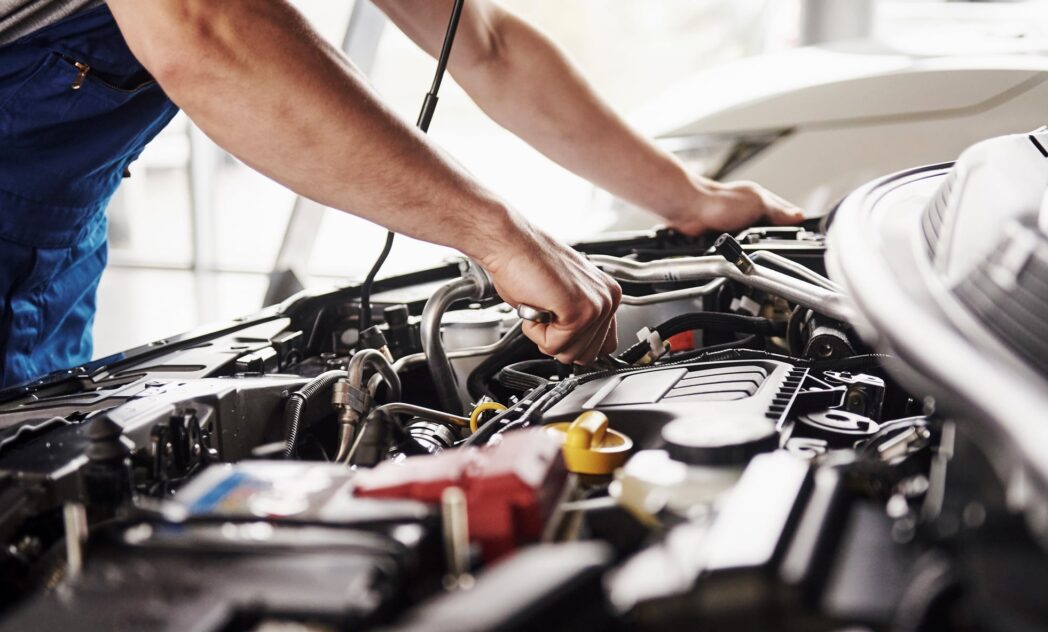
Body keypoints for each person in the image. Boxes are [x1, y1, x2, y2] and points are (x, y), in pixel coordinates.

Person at [0, 0, 803, 388]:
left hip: (49, 253)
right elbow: (207, 30)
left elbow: (484, 45)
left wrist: (689, 198)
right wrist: (497, 236)